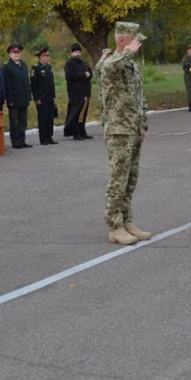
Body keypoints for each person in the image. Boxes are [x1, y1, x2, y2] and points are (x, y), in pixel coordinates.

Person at [95, 21, 152, 246]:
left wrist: (143, 122)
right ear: (122, 40)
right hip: (118, 130)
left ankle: (127, 221)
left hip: (133, 128)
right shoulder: (109, 62)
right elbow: (106, 70)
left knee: (130, 179)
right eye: (135, 39)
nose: (138, 43)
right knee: (118, 180)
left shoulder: (131, 65)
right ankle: (114, 226)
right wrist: (127, 53)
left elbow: (139, 95)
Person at [3, 43, 33, 149]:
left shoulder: (23, 64)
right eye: (14, 52)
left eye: (18, 52)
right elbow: (7, 84)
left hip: (24, 98)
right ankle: (15, 142)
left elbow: (26, 82)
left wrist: (29, 96)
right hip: (14, 99)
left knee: (23, 122)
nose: (17, 54)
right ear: (10, 54)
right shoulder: (7, 67)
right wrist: (9, 99)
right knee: (14, 122)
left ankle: (22, 140)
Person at [63, 43, 93, 140]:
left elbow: (90, 72)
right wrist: (84, 75)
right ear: (72, 53)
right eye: (76, 52)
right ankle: (75, 133)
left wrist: (89, 74)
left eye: (79, 52)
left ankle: (82, 131)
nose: (78, 54)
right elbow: (71, 76)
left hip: (85, 92)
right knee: (76, 113)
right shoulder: (69, 64)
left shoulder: (83, 63)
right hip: (75, 93)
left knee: (83, 113)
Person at [30, 46, 57, 145]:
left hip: (49, 97)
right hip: (41, 98)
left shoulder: (49, 67)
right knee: (43, 118)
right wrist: (36, 98)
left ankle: (50, 137)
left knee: (50, 118)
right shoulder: (35, 68)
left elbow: (51, 83)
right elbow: (34, 85)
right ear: (40, 57)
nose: (47, 57)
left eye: (48, 55)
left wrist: (54, 96)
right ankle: (43, 138)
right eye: (45, 55)